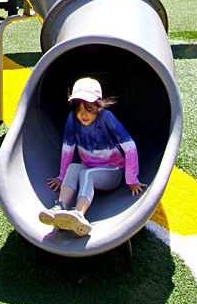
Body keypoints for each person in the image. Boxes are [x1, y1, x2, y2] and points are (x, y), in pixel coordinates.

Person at [37, 77, 144, 237]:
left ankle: (79, 214)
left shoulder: (106, 117)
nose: (83, 114)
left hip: (112, 171)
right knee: (74, 168)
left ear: (98, 105)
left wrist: (132, 179)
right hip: (89, 166)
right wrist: (61, 177)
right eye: (79, 109)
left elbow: (130, 146)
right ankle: (60, 207)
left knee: (87, 174)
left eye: (89, 108)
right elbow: (68, 149)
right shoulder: (73, 119)